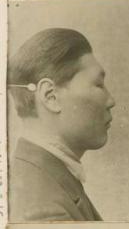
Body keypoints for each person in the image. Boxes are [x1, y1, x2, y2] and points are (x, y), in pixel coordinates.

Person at [8, 28, 115, 221]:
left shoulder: (49, 180)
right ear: (51, 96)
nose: (111, 101)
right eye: (99, 85)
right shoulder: (42, 210)